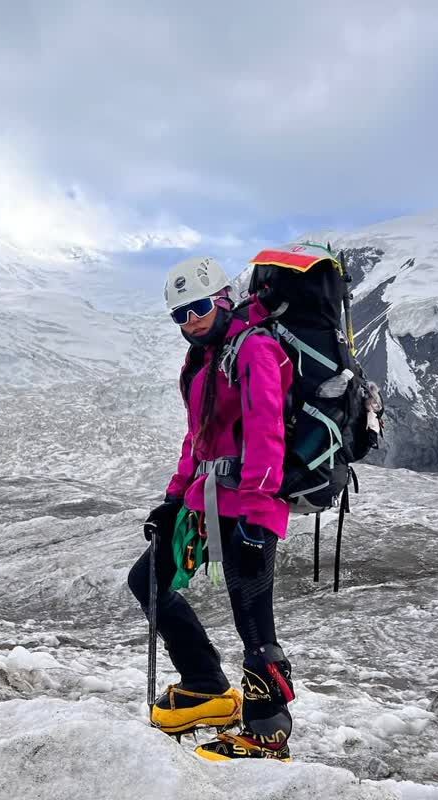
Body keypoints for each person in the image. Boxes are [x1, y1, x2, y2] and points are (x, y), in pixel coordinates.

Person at [127, 255, 296, 762]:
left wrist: (255, 508)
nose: (191, 321)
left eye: (197, 307)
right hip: (208, 500)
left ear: (223, 298)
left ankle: (268, 733)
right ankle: (206, 685)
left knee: (253, 620)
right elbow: (197, 439)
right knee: (149, 580)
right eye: (179, 314)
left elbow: (267, 429)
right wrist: (173, 500)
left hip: (251, 505)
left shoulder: (255, 348)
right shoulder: (204, 359)